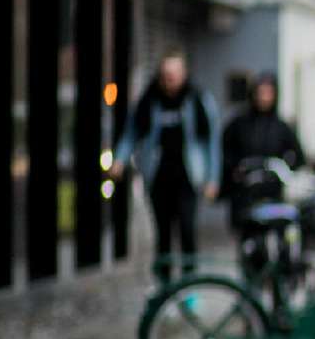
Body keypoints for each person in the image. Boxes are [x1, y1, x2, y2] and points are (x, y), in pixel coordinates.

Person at [109, 47, 221, 269]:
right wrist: (119, 159)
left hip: (188, 178)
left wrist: (212, 179)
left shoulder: (198, 100)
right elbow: (132, 133)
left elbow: (211, 141)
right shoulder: (149, 101)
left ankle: (189, 283)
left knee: (187, 231)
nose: (169, 79)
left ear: (183, 73)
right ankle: (164, 286)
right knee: (163, 234)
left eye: (174, 74)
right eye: (165, 74)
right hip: (158, 177)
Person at [219, 72, 304, 229]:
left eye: (268, 93)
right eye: (260, 93)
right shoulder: (239, 123)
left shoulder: (281, 127)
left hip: (272, 191)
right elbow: (225, 150)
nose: (264, 98)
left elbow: (299, 157)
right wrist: (234, 169)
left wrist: (283, 171)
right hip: (245, 191)